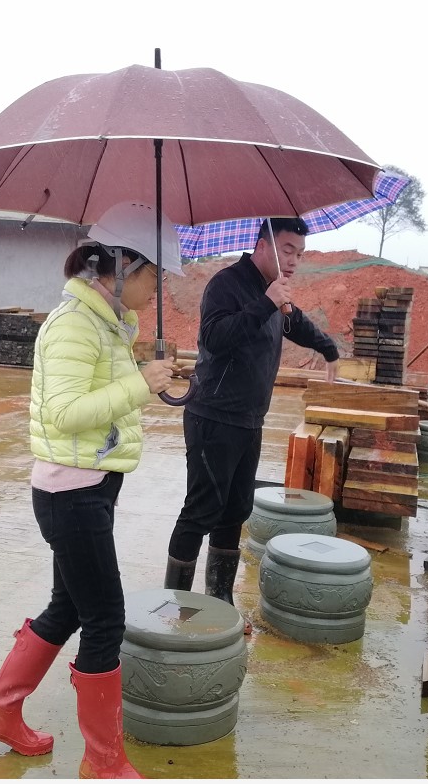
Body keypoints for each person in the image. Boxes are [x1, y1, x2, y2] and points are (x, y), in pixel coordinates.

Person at [0, 201, 182, 780]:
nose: (157, 289)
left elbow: (99, 404)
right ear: (122, 264)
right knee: (105, 619)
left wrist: (140, 375)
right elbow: (64, 414)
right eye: (154, 275)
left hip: (91, 485)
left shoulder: (107, 323)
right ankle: (103, 762)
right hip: (72, 493)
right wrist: (138, 384)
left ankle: (0, 714)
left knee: (68, 607)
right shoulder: (74, 325)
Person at [163, 217, 339, 633]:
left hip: (249, 418)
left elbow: (294, 322)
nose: (294, 260)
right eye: (288, 250)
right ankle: (174, 608)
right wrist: (265, 302)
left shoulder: (275, 291)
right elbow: (215, 338)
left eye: (300, 253)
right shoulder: (226, 284)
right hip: (213, 416)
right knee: (201, 511)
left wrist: (329, 349)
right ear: (263, 246)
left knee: (235, 511)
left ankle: (219, 600)